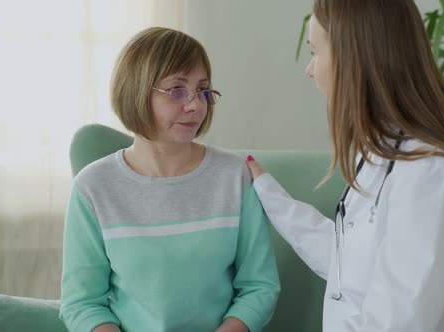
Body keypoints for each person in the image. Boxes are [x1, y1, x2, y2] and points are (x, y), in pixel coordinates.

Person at [245, 0, 444, 331]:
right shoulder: (382, 154)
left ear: (352, 59)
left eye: (315, 51)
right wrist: (273, 198)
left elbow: (395, 324)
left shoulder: (430, 175)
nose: (310, 69)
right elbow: (352, 264)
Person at [60, 27, 280, 332]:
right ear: (136, 91)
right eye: (177, 90)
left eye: (203, 90)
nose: (196, 105)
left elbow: (259, 287)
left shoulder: (235, 177)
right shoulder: (93, 187)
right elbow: (82, 303)